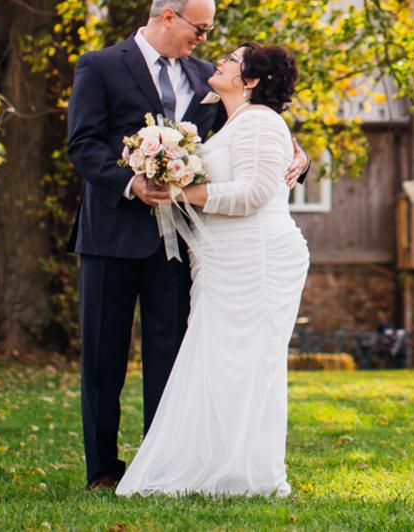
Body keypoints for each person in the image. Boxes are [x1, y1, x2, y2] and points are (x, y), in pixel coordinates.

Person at [66, 0, 307, 490]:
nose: (204, 39)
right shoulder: (100, 66)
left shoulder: (207, 78)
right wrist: (130, 182)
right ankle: (103, 470)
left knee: (171, 356)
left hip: (182, 244)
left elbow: (255, 129)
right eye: (199, 27)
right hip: (110, 235)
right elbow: (83, 144)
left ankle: (165, 464)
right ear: (168, 16)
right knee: (103, 356)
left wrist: (299, 156)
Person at [117, 42, 311, 498]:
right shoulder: (233, 121)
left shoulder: (262, 122)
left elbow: (253, 194)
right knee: (217, 362)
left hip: (256, 259)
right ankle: (210, 467)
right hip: (223, 260)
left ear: (251, 80)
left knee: (246, 365)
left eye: (232, 60)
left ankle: (246, 473)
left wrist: (180, 191)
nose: (219, 61)